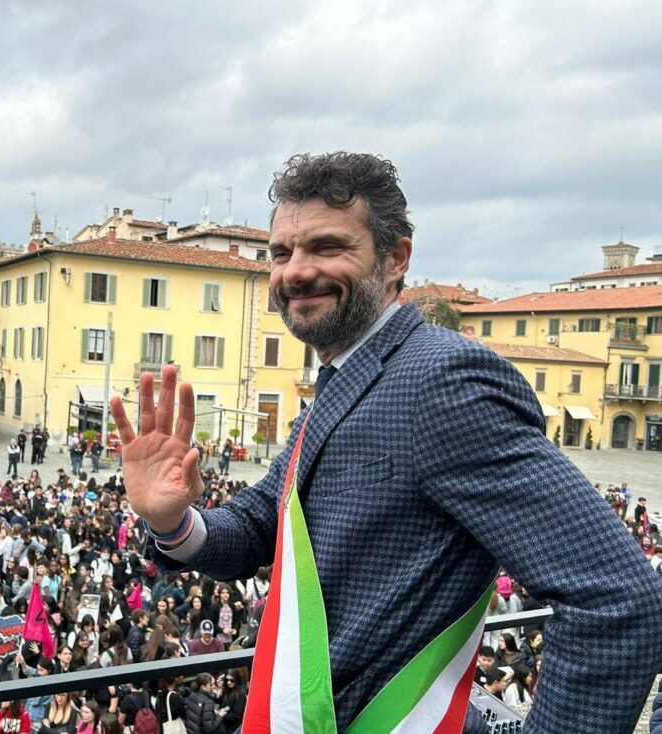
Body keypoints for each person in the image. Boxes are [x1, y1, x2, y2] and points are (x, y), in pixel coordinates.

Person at [111, 151, 662, 732]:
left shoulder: (440, 382)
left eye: (326, 247)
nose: (294, 271)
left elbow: (619, 601)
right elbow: (254, 527)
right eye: (281, 252)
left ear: (395, 260)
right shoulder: (345, 380)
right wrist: (173, 521)